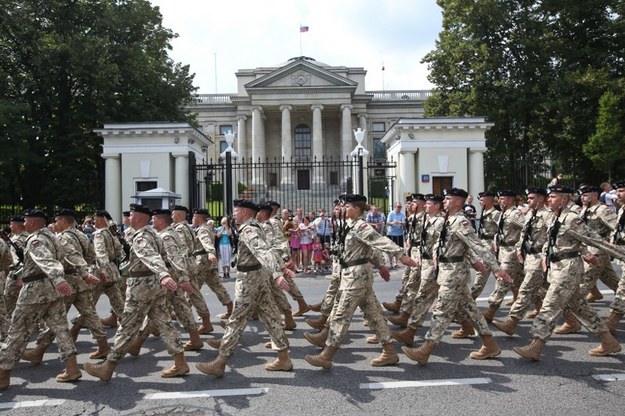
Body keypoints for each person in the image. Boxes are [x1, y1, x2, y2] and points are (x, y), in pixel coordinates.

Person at [401, 188, 513, 366]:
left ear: (458, 202)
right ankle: (489, 344)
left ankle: (426, 349)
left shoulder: (460, 222)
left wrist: (496, 268)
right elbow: (450, 244)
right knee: (472, 310)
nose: (444, 202)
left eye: (447, 199)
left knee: (441, 311)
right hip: (446, 271)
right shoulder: (448, 220)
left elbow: (478, 245)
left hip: (454, 273)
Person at [305, 194, 417, 369]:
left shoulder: (360, 226)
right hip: (351, 275)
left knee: (341, 315)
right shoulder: (348, 225)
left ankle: (327, 355)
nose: (343, 209)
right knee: (374, 315)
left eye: (347, 206)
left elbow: (378, 241)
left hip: (356, 278)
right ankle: (389, 352)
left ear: (357, 209)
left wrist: (400, 254)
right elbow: (364, 250)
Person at [513, 185, 624, 361]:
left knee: (549, 306)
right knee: (581, 308)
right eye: (548, 197)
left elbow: (594, 239)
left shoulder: (572, 218)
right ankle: (608, 341)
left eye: (553, 197)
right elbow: (552, 242)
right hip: (556, 268)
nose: (549, 199)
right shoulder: (555, 216)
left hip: (567, 270)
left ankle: (536, 347)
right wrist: (544, 257)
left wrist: (620, 254)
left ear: (564, 199)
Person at [83, 204, 189, 381]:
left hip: (142, 287)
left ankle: (108, 366)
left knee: (127, 327)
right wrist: (180, 276)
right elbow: (171, 256)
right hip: (154, 286)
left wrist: (163, 274)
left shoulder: (141, 237)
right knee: (165, 324)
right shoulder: (153, 234)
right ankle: (180, 362)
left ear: (138, 218)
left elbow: (151, 256)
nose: (128, 218)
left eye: (131, 215)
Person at [196, 199, 294, 378]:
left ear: (245, 213)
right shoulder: (253, 226)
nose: (233, 213)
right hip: (257, 277)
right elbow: (269, 250)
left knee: (237, 320)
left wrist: (277, 273)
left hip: (249, 281)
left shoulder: (249, 229)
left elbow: (262, 251)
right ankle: (283, 357)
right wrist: (280, 268)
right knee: (271, 316)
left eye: (236, 210)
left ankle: (220, 361)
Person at [0, 209, 80, 390]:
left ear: (33, 223)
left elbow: (45, 260)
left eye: (26, 220)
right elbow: (69, 256)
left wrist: (58, 278)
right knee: (61, 330)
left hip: (35, 292)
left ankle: (2, 373)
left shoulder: (36, 239)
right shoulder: (53, 237)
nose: (24, 223)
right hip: (53, 291)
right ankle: (72, 368)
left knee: (17, 332)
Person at [22, 209, 110, 364]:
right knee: (90, 315)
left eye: (57, 221)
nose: (55, 224)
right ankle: (103, 345)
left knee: (56, 318)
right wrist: (85, 270)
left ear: (63, 221)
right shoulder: (81, 234)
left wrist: (82, 271)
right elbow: (90, 255)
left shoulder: (63, 237)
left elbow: (71, 255)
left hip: (68, 281)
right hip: (81, 282)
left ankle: (39, 350)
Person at [492, 187, 552, 336]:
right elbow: (524, 233)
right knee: (543, 289)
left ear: (540, 199)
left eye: (531, 198)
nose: (527, 201)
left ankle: (511, 322)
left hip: (539, 258)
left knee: (525, 289)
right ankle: (570, 319)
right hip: (528, 257)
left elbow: (554, 238)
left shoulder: (547, 215)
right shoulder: (531, 214)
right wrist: (519, 249)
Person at [190, 209, 233, 334]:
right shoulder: (207, 228)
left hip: (202, 262)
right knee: (217, 286)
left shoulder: (203, 229)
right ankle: (230, 309)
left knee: (191, 290)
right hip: (209, 263)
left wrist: (210, 252)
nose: (192, 217)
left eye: (194, 215)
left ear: (199, 217)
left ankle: (203, 322)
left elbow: (206, 242)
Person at [605, 180, 625, 333]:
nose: (618, 194)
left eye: (622, 191)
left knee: (622, 290)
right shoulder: (621, 209)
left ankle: (611, 324)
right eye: (617, 191)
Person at [386, 202, 406, 268]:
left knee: (398, 249)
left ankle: (395, 262)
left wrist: (400, 222)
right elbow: (387, 222)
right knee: (391, 248)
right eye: (398, 207)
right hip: (391, 233)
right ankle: (391, 262)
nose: (399, 208)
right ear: (395, 207)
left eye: (400, 207)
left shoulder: (402, 214)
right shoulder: (391, 213)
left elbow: (404, 223)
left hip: (399, 233)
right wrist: (392, 223)